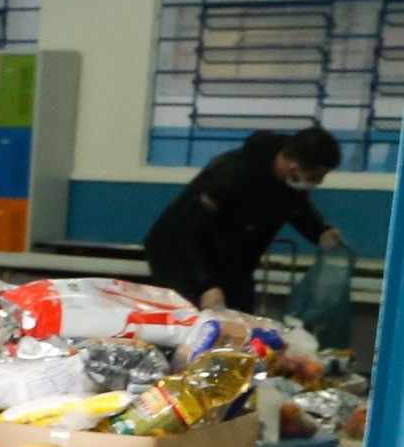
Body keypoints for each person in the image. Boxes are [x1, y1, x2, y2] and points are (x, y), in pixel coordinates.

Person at [144, 124, 347, 312]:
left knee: (241, 322)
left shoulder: (288, 182)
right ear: (294, 167)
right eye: (315, 177)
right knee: (195, 323)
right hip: (179, 253)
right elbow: (189, 231)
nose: (318, 183)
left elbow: (296, 208)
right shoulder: (232, 176)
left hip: (231, 257)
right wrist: (206, 285)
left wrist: (320, 231)